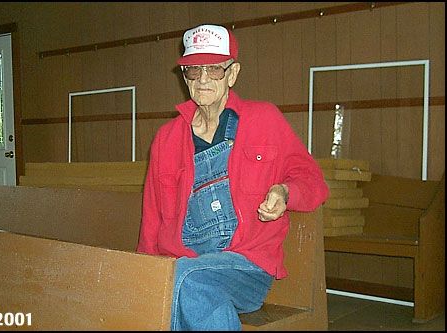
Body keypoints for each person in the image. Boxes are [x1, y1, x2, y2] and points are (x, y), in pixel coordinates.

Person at [137, 24, 329, 331]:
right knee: (186, 283)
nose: (201, 81)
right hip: (185, 262)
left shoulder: (264, 120)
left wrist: (284, 191)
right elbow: (152, 218)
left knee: (186, 278)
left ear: (232, 73)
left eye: (213, 70)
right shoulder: (166, 138)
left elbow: (313, 181)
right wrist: (143, 274)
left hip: (246, 266)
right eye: (192, 71)